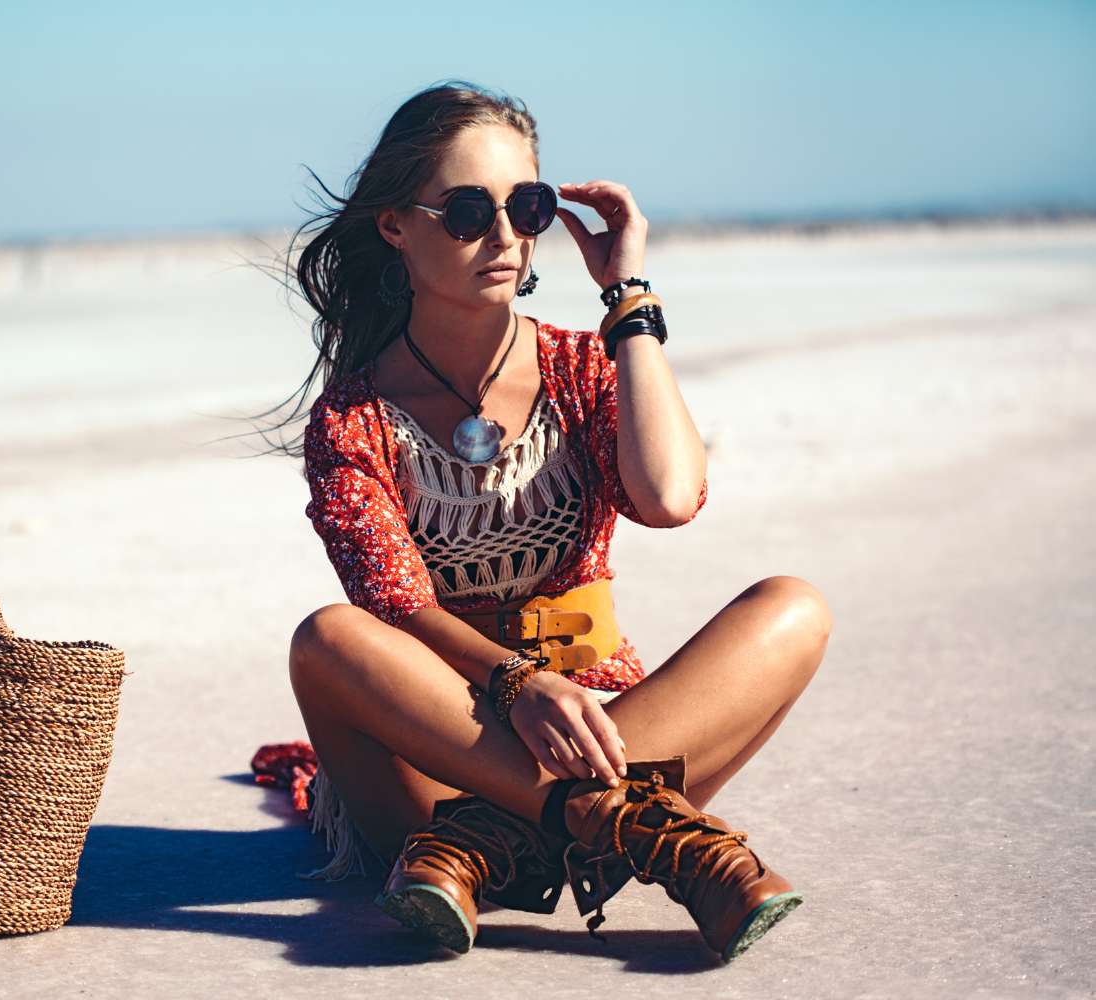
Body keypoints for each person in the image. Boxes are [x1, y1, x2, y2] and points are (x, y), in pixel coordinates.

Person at [248, 80, 831, 962]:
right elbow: (396, 608)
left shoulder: (583, 369)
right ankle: (636, 830)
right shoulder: (354, 415)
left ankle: (498, 845)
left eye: (526, 207)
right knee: (329, 637)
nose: (506, 237)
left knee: (795, 608)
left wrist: (628, 299)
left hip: (608, 722)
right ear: (395, 225)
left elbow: (670, 499)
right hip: (442, 749)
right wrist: (519, 688)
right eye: (468, 209)